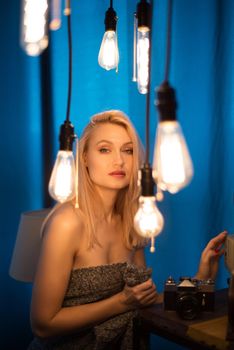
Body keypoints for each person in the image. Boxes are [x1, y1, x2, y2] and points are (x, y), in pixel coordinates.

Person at [28, 110, 227, 350]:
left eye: (128, 150)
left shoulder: (135, 220)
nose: (119, 161)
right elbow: (43, 324)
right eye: (104, 149)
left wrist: (201, 278)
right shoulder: (67, 222)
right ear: (84, 158)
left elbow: (143, 300)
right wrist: (121, 302)